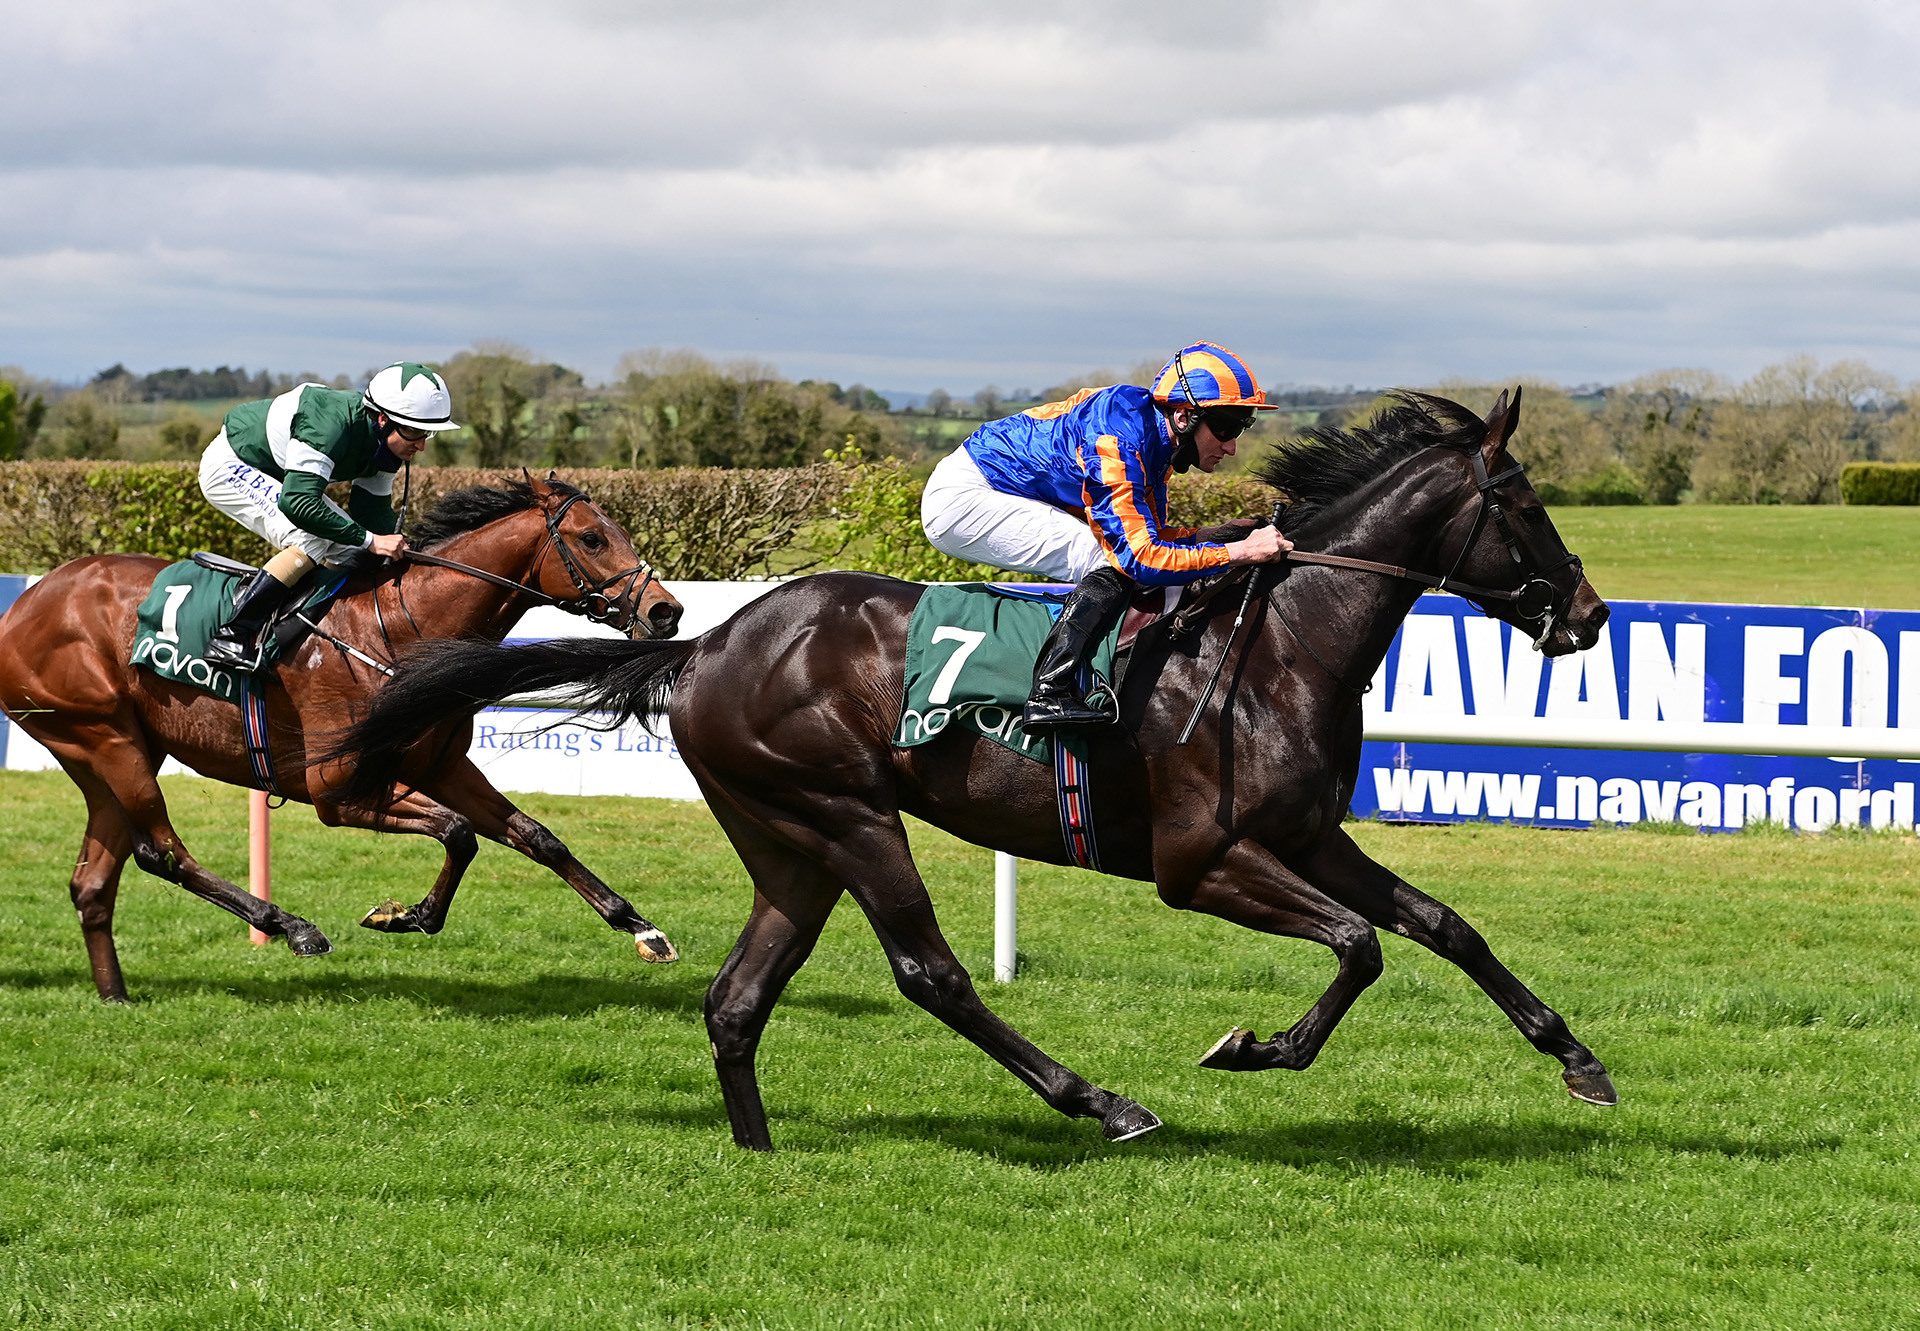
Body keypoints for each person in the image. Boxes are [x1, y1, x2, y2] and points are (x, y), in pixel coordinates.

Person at [920, 341, 1294, 729]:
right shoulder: (1118, 442)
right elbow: (1139, 558)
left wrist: (1208, 535)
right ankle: (1050, 692)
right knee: (1108, 563)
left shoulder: (1155, 441)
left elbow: (1148, 536)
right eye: (1226, 427)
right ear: (1184, 417)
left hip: (1000, 488)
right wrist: (1238, 553)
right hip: (967, 498)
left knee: (1117, 559)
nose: (1232, 447)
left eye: (1241, 427)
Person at [196, 361, 460, 670]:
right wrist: (372, 540)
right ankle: (232, 636)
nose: (422, 445)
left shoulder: (388, 448)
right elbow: (298, 503)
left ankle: (321, 629)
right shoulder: (330, 425)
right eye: (414, 431)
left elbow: (370, 513)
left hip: (284, 479)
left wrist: (398, 549)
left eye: (428, 432)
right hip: (234, 465)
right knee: (310, 538)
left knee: (355, 547)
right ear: (382, 419)